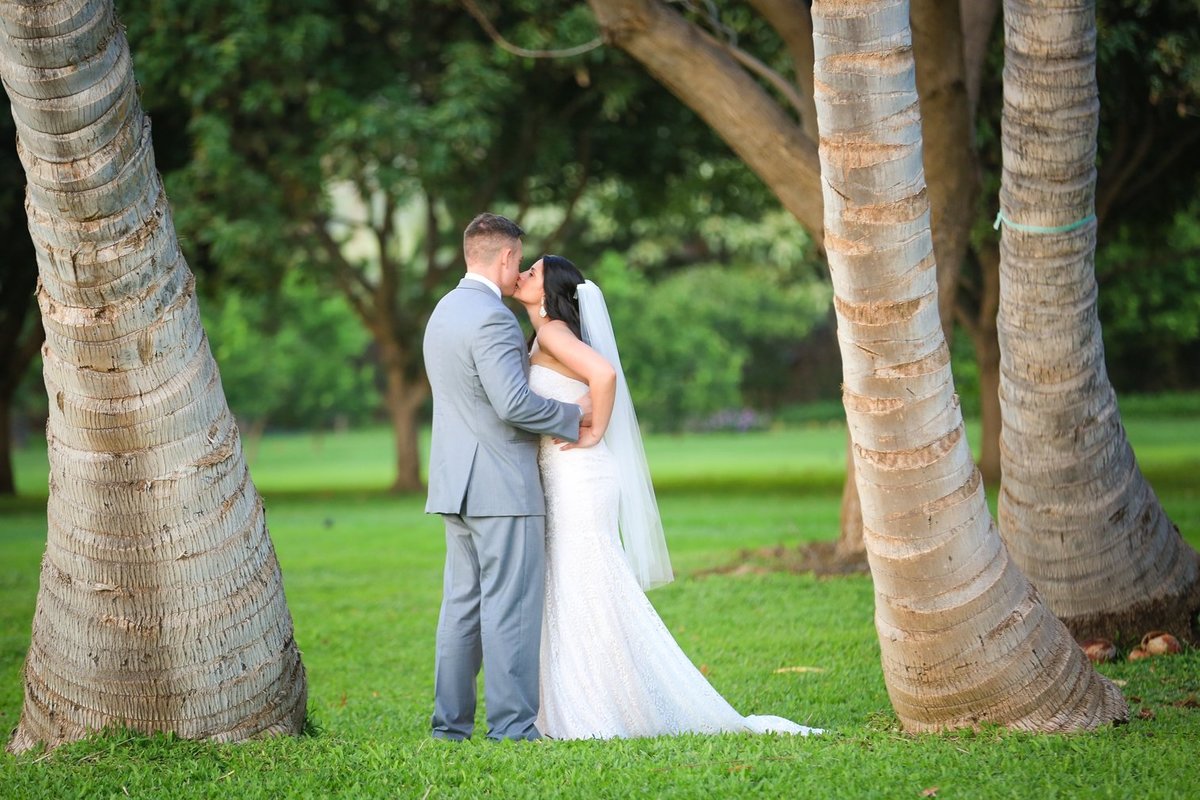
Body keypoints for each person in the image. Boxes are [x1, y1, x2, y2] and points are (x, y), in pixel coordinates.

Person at [512, 254, 823, 739]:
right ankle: (594, 703)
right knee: (574, 584)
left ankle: (596, 711)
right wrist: (583, 412)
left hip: (578, 472)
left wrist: (592, 433)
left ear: (550, 290)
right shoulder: (544, 335)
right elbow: (585, 388)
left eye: (533, 272)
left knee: (585, 582)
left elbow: (605, 376)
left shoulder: (552, 331)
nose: (524, 275)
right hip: (566, 472)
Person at [423, 214, 590, 742]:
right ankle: (514, 729)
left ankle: (449, 728)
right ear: (506, 257)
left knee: (461, 609)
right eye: (519, 259)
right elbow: (513, 403)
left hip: (455, 483)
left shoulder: (444, 311)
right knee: (511, 609)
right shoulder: (493, 319)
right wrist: (574, 417)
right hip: (500, 486)